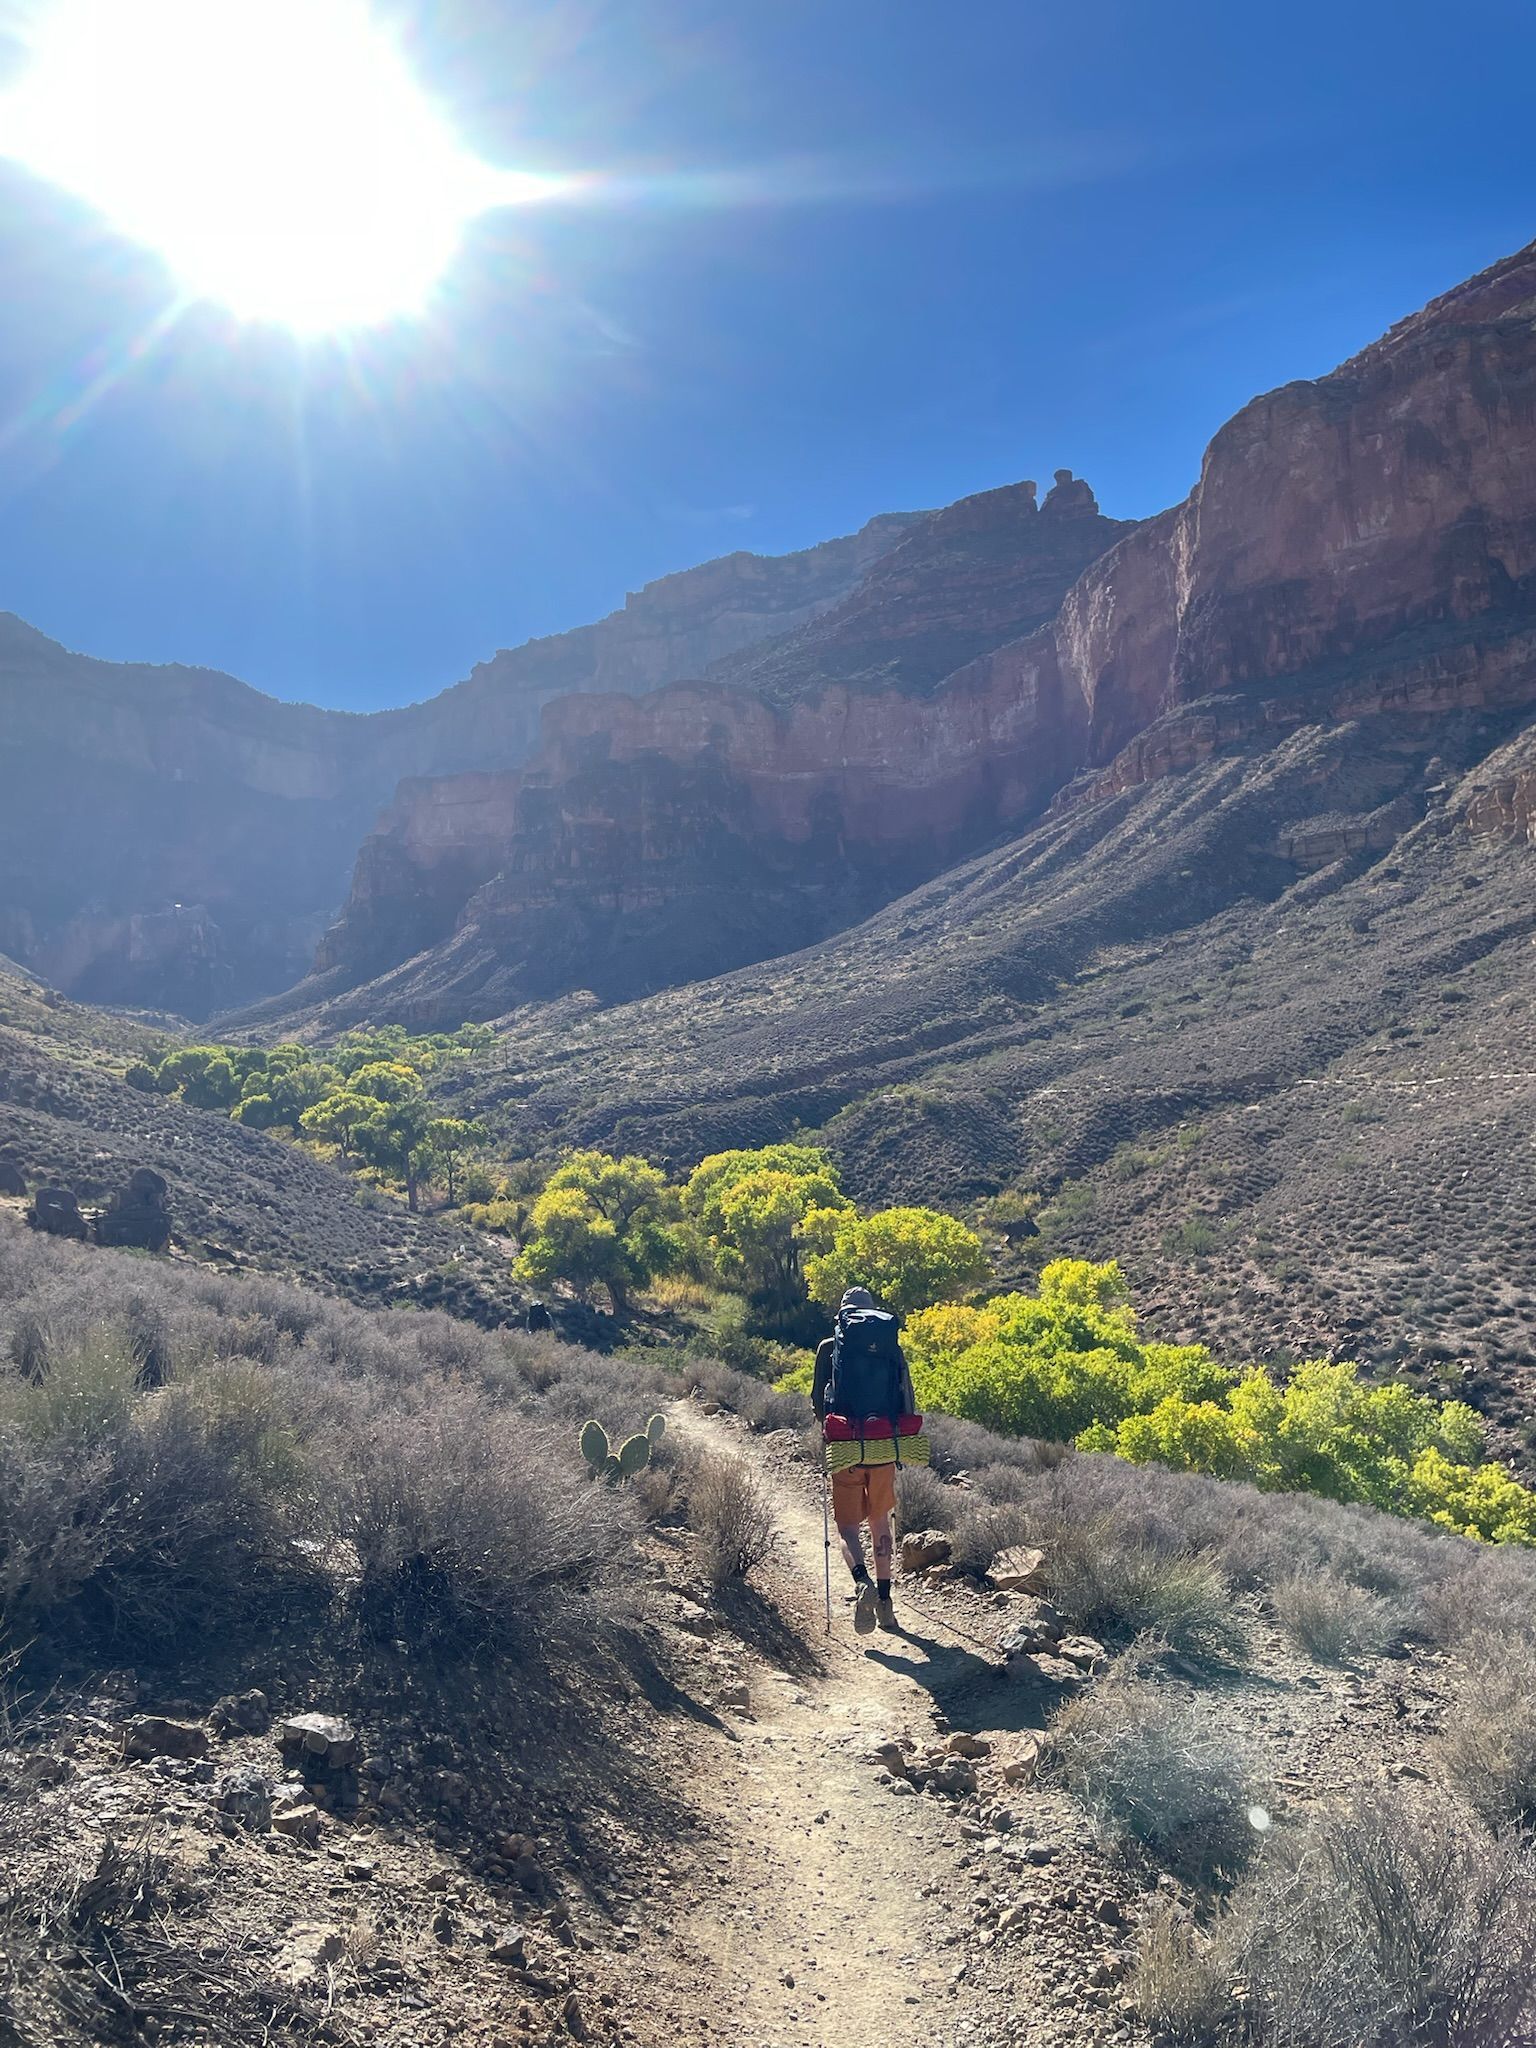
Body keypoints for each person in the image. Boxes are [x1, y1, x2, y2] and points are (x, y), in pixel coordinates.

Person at [812, 1285, 916, 1635]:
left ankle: (862, 1583)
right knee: (881, 1524)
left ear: (843, 1314)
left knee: (847, 1528)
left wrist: (829, 1435)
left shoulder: (830, 1347)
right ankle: (886, 1604)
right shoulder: (891, 1348)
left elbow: (817, 1401)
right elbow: (907, 1398)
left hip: (845, 1446)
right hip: (885, 1445)